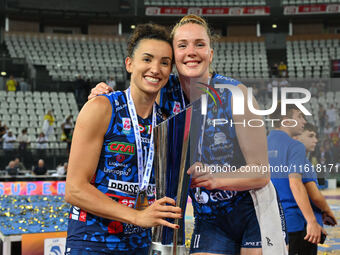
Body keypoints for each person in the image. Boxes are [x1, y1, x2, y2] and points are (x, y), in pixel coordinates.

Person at [89, 15, 287, 255]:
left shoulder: (236, 94)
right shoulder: (165, 91)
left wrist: (217, 179)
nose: (191, 51)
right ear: (173, 57)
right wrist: (105, 93)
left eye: (199, 44)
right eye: (182, 45)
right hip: (210, 219)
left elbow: (261, 173)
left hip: (255, 211)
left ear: (210, 54)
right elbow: (133, 97)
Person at [65, 24, 182, 255]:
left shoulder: (166, 122)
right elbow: (74, 189)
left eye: (164, 62)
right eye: (147, 59)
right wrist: (138, 216)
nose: (155, 69)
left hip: (139, 245)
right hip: (92, 241)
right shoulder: (102, 107)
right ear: (129, 64)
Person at [268, 104, 324, 255]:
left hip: (269, 222)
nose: (304, 121)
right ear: (286, 121)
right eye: (299, 117)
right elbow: (296, 184)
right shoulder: (295, 146)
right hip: (295, 222)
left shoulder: (262, 144)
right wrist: (312, 221)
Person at [293, 123, 337, 231]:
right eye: (311, 136)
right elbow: (315, 197)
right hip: (304, 225)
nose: (316, 140)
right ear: (297, 137)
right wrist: (327, 211)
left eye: (316, 136)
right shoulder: (301, 162)